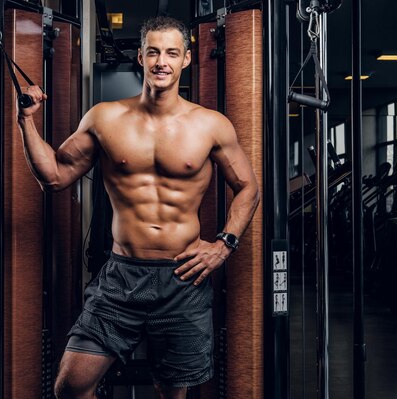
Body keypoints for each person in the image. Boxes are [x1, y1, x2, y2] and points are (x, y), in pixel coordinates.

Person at [17, 16, 259, 399]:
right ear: (141, 57)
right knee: (70, 387)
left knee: (171, 392)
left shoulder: (211, 125)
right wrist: (26, 121)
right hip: (122, 277)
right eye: (153, 52)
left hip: (184, 277)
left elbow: (248, 187)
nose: (162, 61)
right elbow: (56, 176)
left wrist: (224, 244)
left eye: (171, 53)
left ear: (186, 60)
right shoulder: (105, 117)